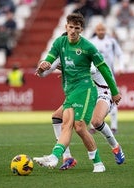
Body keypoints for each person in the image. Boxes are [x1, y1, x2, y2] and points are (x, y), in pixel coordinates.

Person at [33, 13, 121, 173]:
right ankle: (62, 157)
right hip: (74, 91)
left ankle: (114, 148)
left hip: (98, 90)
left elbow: (95, 69)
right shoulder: (61, 48)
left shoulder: (86, 47)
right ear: (66, 28)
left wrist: (115, 91)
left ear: (80, 30)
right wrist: (42, 67)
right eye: (70, 28)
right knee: (61, 120)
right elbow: (46, 68)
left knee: (90, 123)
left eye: (76, 28)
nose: (72, 32)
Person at [38, 56, 125, 170]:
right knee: (57, 117)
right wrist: (42, 66)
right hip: (83, 92)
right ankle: (67, 157)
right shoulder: (62, 55)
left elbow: (92, 70)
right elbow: (43, 72)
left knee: (96, 122)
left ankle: (115, 147)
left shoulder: (84, 51)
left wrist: (68, 69)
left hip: (102, 91)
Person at [89, 23, 125, 134]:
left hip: (109, 76)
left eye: (103, 29)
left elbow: (120, 54)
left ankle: (114, 127)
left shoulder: (111, 42)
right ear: (96, 30)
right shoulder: (91, 42)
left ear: (106, 30)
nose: (101, 31)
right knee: (93, 99)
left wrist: (121, 67)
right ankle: (92, 126)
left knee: (113, 99)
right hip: (95, 76)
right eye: (99, 29)